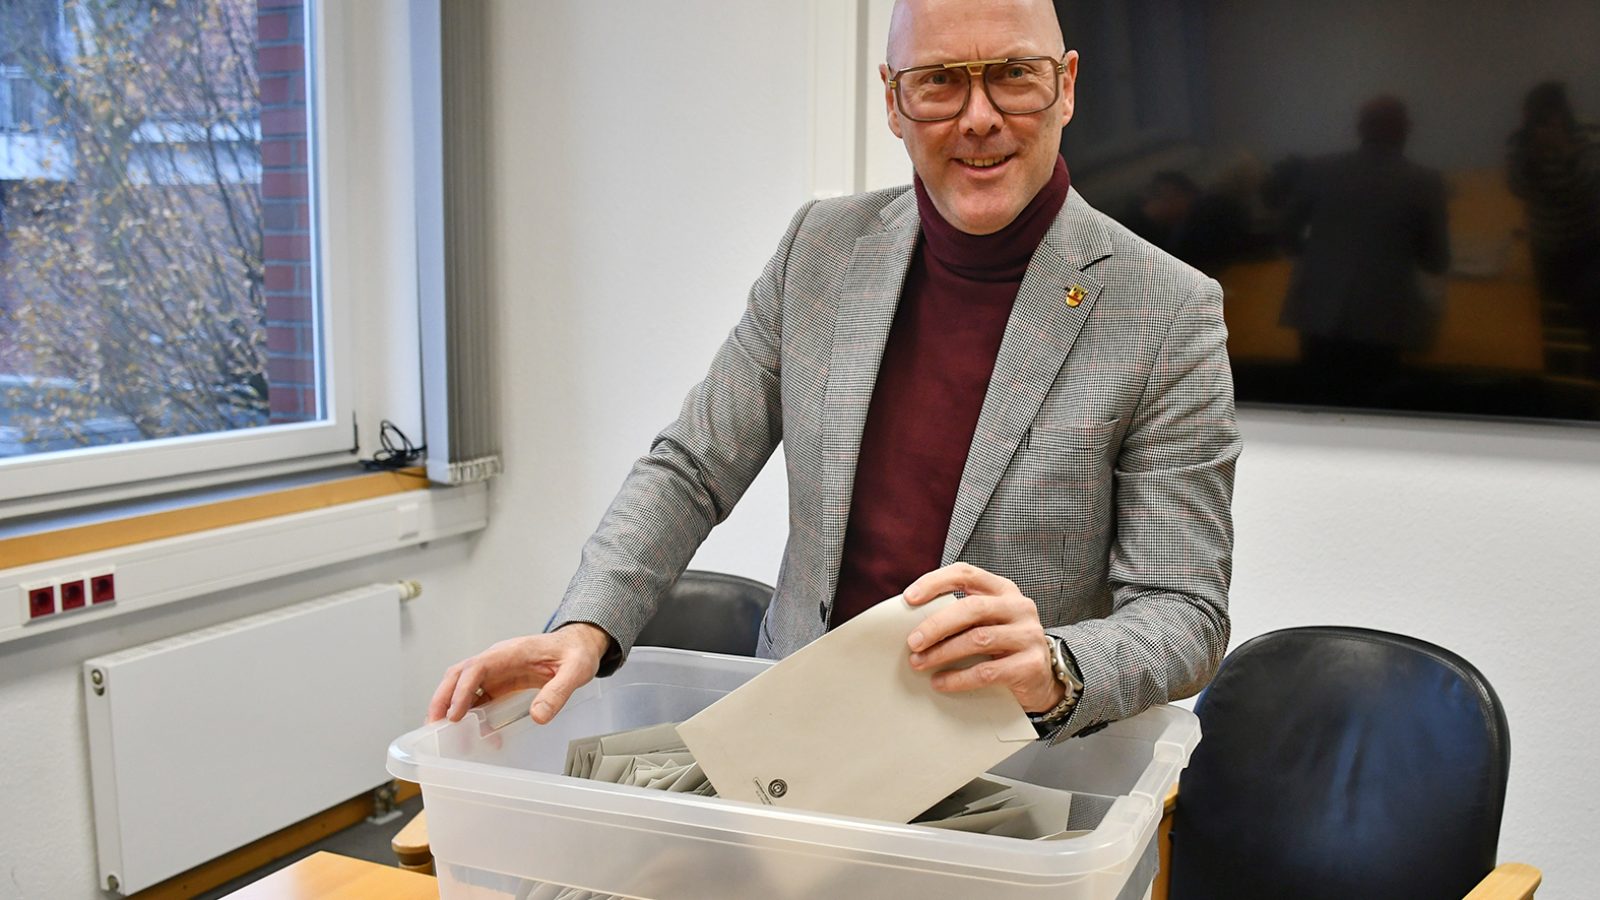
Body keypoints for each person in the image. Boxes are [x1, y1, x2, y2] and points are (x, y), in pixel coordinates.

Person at [430, 0, 1240, 746]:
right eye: (939, 83)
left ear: (1064, 86)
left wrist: (1053, 667)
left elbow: (1184, 612)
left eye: (1012, 76)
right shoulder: (820, 247)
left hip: (1010, 771)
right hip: (797, 739)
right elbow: (692, 466)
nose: (980, 117)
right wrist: (587, 625)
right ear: (892, 100)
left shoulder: (1169, 311)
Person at [1278, 95, 1450, 406]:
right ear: (1406, 130)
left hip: (1317, 310)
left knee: (1319, 400)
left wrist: (1323, 254)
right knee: (1371, 408)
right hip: (1382, 320)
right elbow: (1437, 261)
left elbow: (1285, 235)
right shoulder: (1425, 182)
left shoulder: (1318, 169)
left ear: (1359, 129)